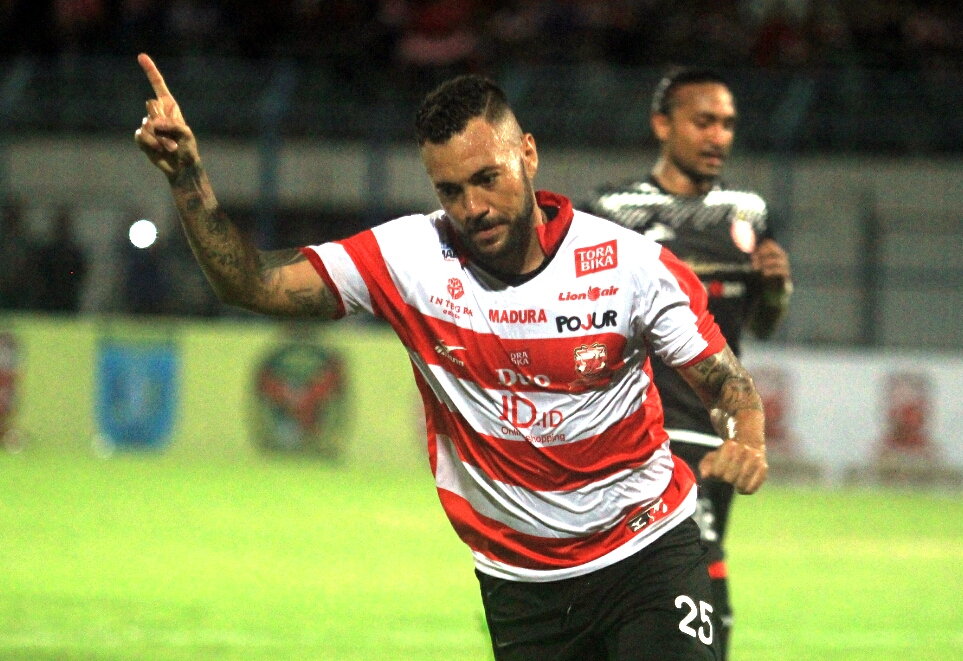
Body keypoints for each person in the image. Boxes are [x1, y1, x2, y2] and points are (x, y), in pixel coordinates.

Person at [135, 53, 768, 661]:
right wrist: (188, 178)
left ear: (528, 154)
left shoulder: (631, 266)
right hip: (520, 585)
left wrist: (745, 440)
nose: (473, 208)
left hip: (649, 552)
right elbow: (249, 283)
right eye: (451, 189)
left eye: (487, 178)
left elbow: (728, 385)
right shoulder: (409, 259)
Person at [588, 67, 793, 661]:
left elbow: (758, 326)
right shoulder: (611, 210)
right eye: (703, 121)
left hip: (714, 430)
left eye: (727, 124)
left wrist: (776, 292)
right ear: (662, 124)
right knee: (686, 574)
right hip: (636, 426)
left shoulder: (750, 213)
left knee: (691, 567)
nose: (718, 136)